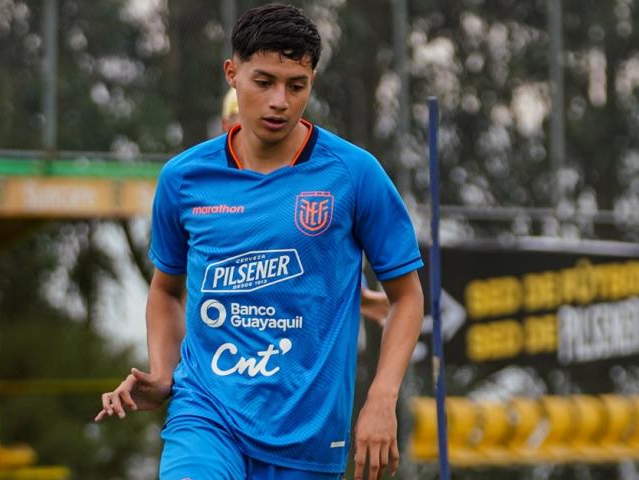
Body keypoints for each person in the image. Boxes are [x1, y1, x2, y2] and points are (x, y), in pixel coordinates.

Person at [95, 4, 424, 479]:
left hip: (307, 435)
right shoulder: (184, 179)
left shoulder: (355, 174)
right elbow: (166, 289)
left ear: (312, 81)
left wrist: (381, 398)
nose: (279, 102)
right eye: (264, 81)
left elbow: (407, 298)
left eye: (296, 86)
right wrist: (164, 374)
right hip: (205, 413)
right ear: (232, 73)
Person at [221, 87, 391, 325]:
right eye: (239, 118)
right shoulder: (204, 180)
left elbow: (320, 248)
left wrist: (359, 293)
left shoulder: (299, 178)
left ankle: (356, 294)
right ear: (226, 124)